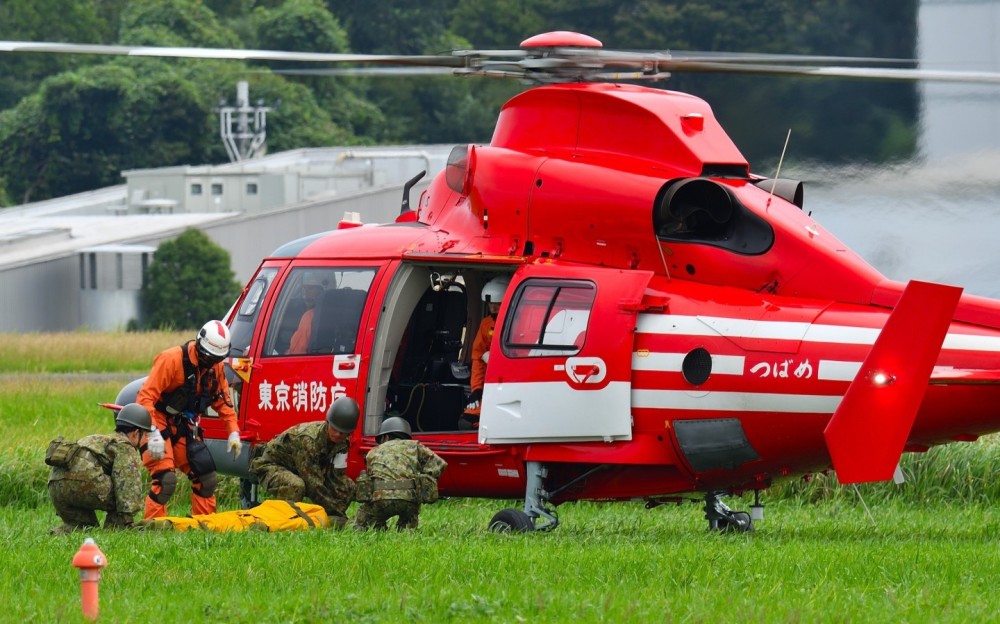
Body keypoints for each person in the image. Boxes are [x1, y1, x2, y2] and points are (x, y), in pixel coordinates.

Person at [137, 320, 243, 519]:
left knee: (206, 479)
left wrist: (233, 432)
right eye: (209, 357)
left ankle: (203, 526)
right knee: (165, 479)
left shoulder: (215, 368)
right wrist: (152, 432)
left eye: (217, 359)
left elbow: (223, 402)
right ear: (199, 344)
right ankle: (154, 528)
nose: (211, 363)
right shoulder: (170, 359)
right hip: (157, 421)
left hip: (185, 425)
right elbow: (145, 398)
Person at [249, 397, 360, 527]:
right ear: (327, 422)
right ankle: (284, 522)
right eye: (334, 429)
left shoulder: (343, 444)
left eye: (342, 433)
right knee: (296, 485)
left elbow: (337, 476)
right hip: (270, 465)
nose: (337, 435)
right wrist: (337, 512)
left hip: (298, 468)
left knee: (348, 486)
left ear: (349, 433)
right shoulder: (308, 440)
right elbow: (313, 485)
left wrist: (340, 500)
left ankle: (326, 520)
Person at [47, 403, 155, 535]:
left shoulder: (96, 439)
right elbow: (128, 486)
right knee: (121, 495)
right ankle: (115, 532)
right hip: (82, 483)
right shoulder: (124, 446)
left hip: (55, 486)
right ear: (136, 433)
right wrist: (127, 520)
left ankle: (59, 534)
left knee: (83, 528)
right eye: (146, 436)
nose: (146, 441)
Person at [354, 416, 447, 531]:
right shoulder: (415, 445)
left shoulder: (372, 452)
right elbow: (439, 464)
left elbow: (371, 478)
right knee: (409, 517)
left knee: (363, 520)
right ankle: (407, 529)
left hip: (381, 500)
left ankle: (377, 529)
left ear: (386, 436)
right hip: (408, 499)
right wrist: (425, 478)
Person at [458, 276, 509, 430]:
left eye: (497, 304)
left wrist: (495, 357)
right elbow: (478, 359)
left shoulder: (518, 323)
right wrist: (476, 390)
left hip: (508, 384)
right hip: (490, 384)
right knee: (466, 422)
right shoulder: (486, 324)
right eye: (490, 304)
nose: (492, 308)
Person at [287, 272, 325, 354]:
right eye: (305, 288)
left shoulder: (310, 316)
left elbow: (297, 352)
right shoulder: (343, 312)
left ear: (322, 291)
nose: (306, 293)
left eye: (311, 289)